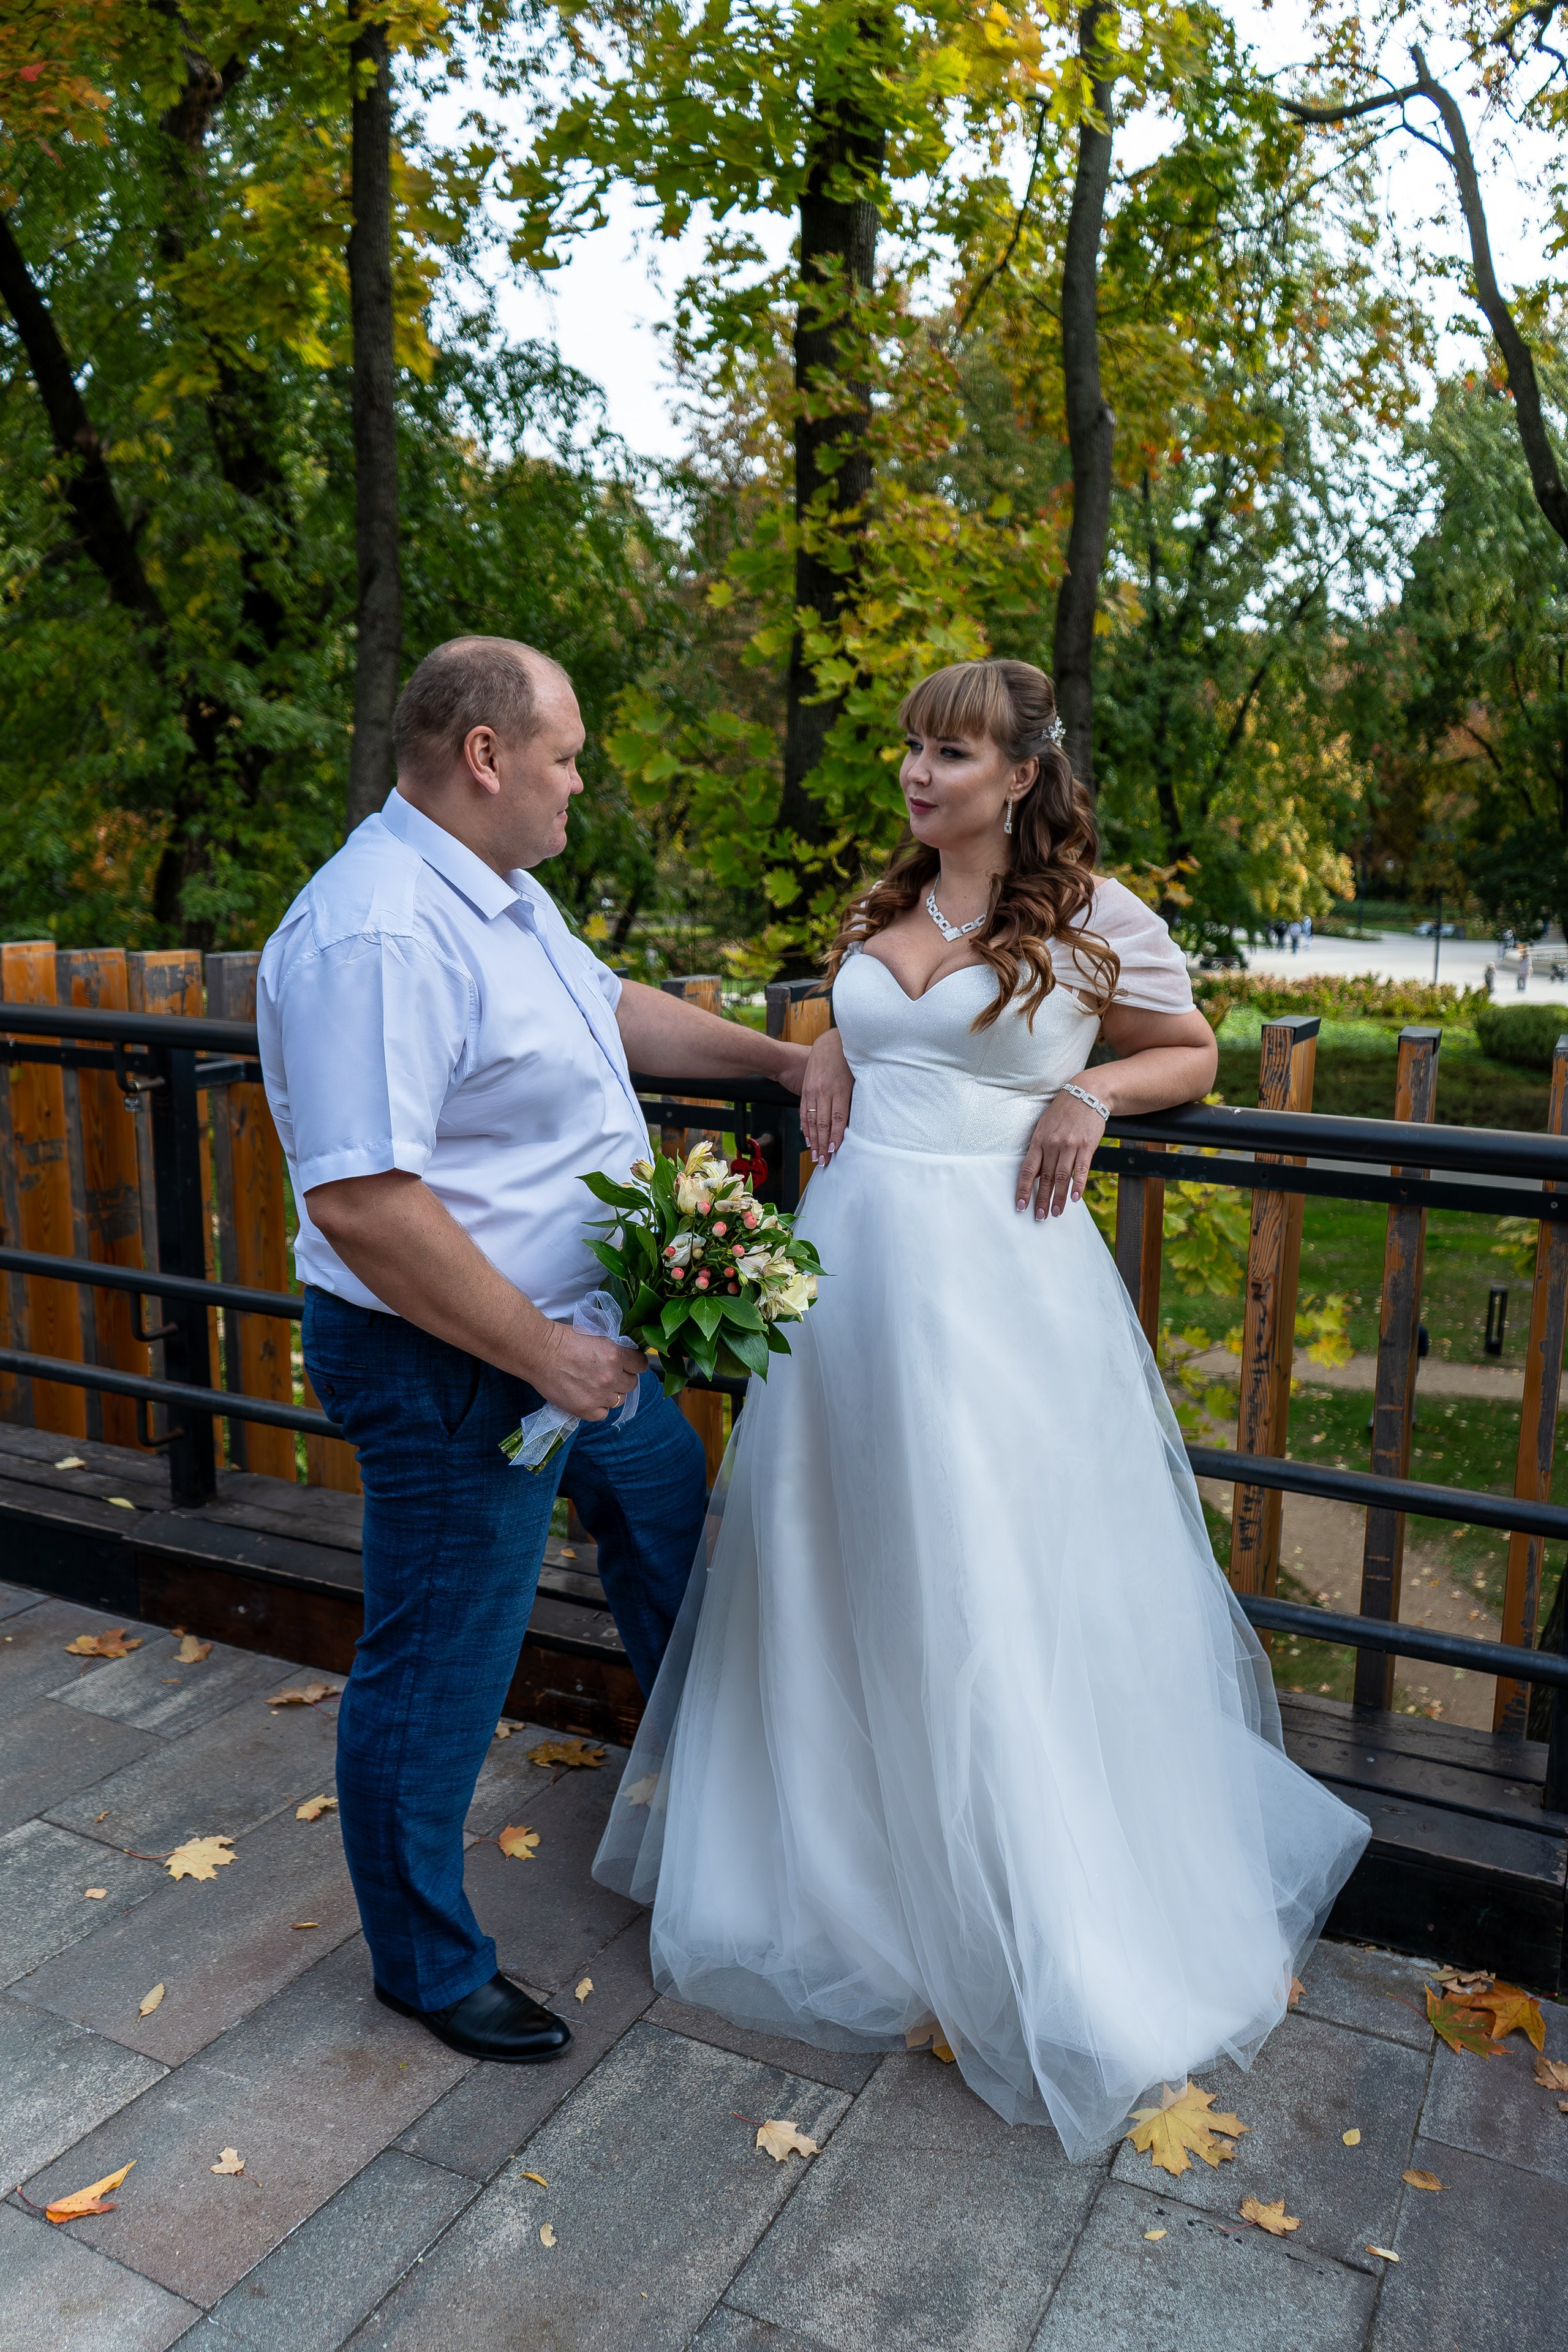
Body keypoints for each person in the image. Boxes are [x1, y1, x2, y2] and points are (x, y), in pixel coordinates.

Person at [596, 657, 1369, 2160]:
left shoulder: (1091, 920)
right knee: (837, 1563)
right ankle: (840, 1881)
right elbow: (877, 1038)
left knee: (990, 1578)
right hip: (850, 1280)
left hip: (998, 1291)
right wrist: (828, 1039)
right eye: (907, 748)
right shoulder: (878, 917)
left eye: (948, 752)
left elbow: (1187, 1049)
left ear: (1019, 775)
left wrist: (1087, 1097)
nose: (915, 772)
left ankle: (1026, 1904)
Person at [257, 636, 810, 2065]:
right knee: (438, 1663)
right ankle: (424, 1964)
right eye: (565, 753)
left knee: (671, 1525)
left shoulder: (500, 898)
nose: (580, 780)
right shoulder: (379, 931)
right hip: (456, 1363)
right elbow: (365, 1202)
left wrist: (782, 1063)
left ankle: (708, 1822)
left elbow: (607, 1010)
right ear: (487, 756)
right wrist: (543, 1358)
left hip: (578, 1351)